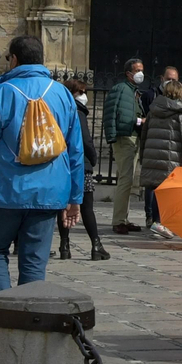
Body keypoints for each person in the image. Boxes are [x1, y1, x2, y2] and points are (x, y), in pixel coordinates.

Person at [0, 36, 84, 300]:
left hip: (6, 192)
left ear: (14, 59)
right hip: (49, 193)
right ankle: (28, 329)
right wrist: (75, 198)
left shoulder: (4, 91)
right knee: (34, 264)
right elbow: (75, 150)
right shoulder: (61, 93)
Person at [57, 80, 108, 261]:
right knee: (86, 207)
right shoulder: (78, 112)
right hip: (81, 165)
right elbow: (85, 140)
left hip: (63, 164)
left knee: (64, 206)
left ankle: (64, 245)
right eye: (80, 92)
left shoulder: (61, 110)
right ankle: (96, 244)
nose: (83, 95)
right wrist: (93, 158)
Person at [140, 80, 182, 236]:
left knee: (155, 187)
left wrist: (143, 154)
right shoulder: (181, 113)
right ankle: (162, 222)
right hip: (174, 157)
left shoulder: (153, 110)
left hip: (153, 154)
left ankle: (155, 221)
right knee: (169, 191)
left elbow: (144, 135)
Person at [104, 59, 148, 234]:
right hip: (125, 138)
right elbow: (116, 115)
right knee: (125, 180)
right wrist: (140, 121)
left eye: (141, 70)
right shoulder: (121, 89)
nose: (140, 73)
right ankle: (119, 220)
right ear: (128, 73)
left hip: (133, 137)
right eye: (137, 70)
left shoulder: (132, 91)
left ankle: (123, 217)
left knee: (128, 180)